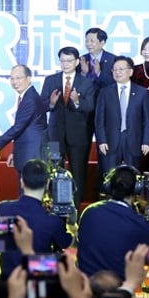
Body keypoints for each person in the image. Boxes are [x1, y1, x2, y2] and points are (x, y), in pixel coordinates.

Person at [76, 165, 149, 278]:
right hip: (119, 287)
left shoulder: (89, 212)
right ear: (136, 189)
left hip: (86, 284)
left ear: (108, 186)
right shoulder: (138, 222)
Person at [0, 159, 73, 277]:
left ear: (22, 182)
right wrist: (71, 225)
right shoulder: (53, 220)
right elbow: (66, 243)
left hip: (7, 279)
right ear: (47, 184)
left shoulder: (2, 209)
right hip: (39, 281)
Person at [39, 46, 95, 206]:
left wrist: (77, 101)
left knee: (77, 173)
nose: (65, 64)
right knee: (55, 172)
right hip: (55, 135)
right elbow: (42, 106)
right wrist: (51, 102)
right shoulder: (51, 80)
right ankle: (56, 206)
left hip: (78, 135)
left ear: (77, 62)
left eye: (69, 60)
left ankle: (74, 209)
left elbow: (90, 106)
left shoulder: (86, 82)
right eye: (62, 60)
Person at [0, 64, 47, 185]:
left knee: (30, 194)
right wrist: (15, 152)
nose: (15, 82)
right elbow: (22, 130)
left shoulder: (30, 99)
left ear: (29, 78)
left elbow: (18, 127)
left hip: (32, 155)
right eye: (12, 78)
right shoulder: (25, 97)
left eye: (19, 78)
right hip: (25, 153)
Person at [95, 55, 149, 172]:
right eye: (114, 70)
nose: (117, 72)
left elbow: (147, 120)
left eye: (121, 69)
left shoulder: (142, 92)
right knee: (109, 179)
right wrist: (102, 140)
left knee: (133, 179)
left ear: (130, 72)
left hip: (134, 142)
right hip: (110, 143)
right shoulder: (105, 92)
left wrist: (146, 141)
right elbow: (99, 120)